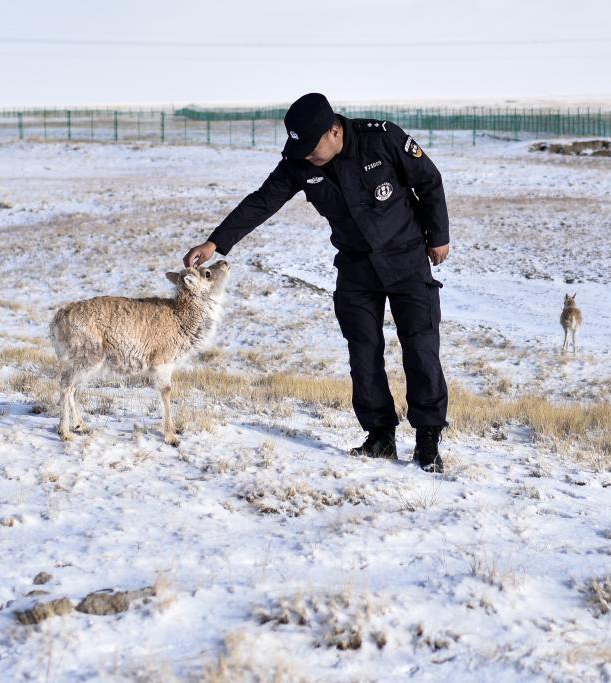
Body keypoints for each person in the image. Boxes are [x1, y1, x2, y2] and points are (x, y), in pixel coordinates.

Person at [183, 93, 450, 473]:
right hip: (357, 267)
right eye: (301, 150)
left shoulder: (382, 137)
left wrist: (438, 235)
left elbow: (429, 180)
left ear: (335, 131)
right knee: (363, 351)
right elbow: (262, 201)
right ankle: (380, 436)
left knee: (421, 347)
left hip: (406, 258)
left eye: (312, 148)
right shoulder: (299, 162)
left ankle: (427, 441)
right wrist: (216, 242)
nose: (307, 156)